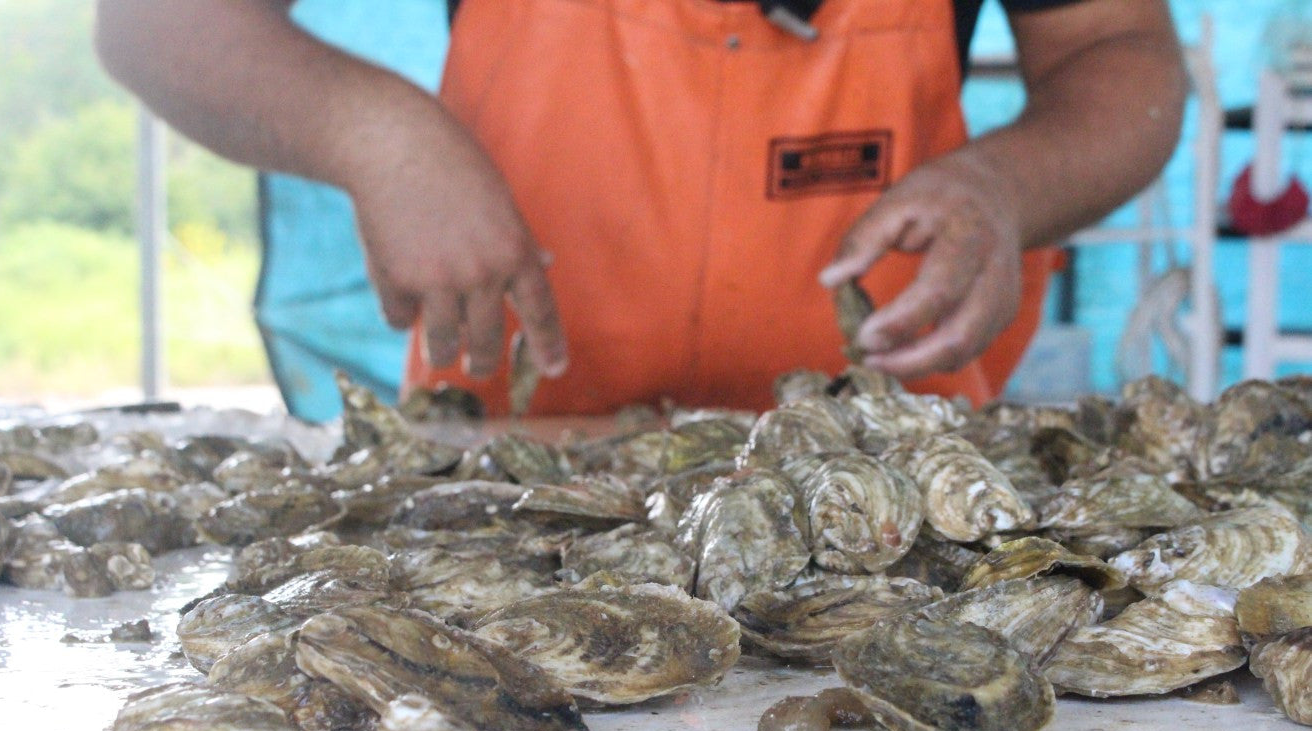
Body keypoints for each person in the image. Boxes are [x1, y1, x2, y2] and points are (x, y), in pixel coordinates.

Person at [94, 0, 1186, 416]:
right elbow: (157, 22)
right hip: (513, 478)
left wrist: (1004, 184)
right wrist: (378, 135)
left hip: (886, 482)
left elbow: (1117, 50)